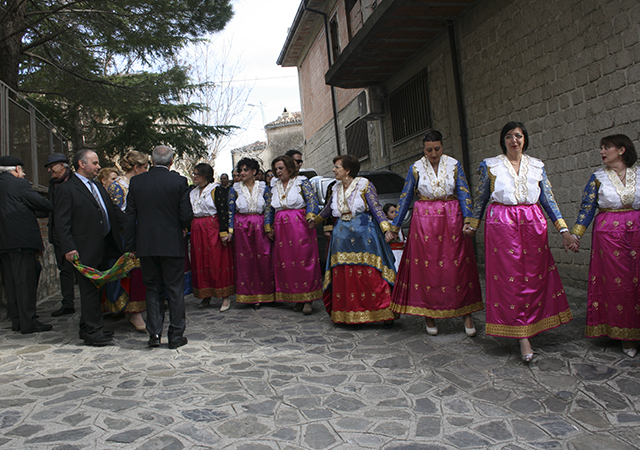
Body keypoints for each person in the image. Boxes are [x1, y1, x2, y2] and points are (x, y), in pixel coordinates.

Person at [465, 121, 573, 362]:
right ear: (503, 141)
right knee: (509, 279)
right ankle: (522, 335)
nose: (514, 140)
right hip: (502, 226)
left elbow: (548, 200)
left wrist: (564, 230)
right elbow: (481, 197)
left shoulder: (537, 166)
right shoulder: (490, 166)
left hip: (533, 224)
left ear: (525, 139)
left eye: (519, 136)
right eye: (509, 137)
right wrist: (472, 224)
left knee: (535, 276)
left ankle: (533, 325)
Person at [385, 130, 483, 336]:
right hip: (424, 221)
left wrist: (469, 220)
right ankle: (428, 315)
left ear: (442, 146)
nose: (433, 153)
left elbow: (464, 193)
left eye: (437, 149)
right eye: (429, 150)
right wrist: (395, 227)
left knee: (457, 266)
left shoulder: (454, 165)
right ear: (424, 149)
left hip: (452, 218)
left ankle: (466, 315)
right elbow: (405, 198)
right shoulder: (416, 168)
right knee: (427, 269)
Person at [569, 134, 640, 358]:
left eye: (606, 147)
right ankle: (626, 335)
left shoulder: (639, 174)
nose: (602, 151)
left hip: (637, 234)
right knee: (619, 284)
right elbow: (587, 207)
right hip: (610, 238)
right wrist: (576, 235)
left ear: (621, 150)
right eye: (601, 148)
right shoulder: (598, 178)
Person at [313, 154, 396, 327]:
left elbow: (376, 208)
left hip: (365, 234)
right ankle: (350, 314)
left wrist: (386, 229)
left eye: (337, 166)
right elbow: (328, 210)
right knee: (345, 273)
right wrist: (315, 221)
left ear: (348, 170)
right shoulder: (335, 188)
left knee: (370, 272)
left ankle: (383, 313)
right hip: (341, 236)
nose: (334, 170)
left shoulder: (365, 185)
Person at [124, 146, 193, 349]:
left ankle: (154, 334)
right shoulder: (179, 182)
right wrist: (182, 228)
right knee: (174, 289)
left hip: (146, 244)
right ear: (171, 162)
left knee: (152, 289)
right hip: (171, 242)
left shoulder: (137, 182)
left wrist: (130, 245)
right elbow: (186, 213)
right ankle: (176, 335)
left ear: (152, 161)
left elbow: (130, 216)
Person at [55, 149, 125, 346]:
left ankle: (88, 327)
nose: (98, 166)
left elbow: (112, 212)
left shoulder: (97, 187)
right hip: (83, 248)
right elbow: (61, 223)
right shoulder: (67, 189)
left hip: (104, 246)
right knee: (89, 291)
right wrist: (68, 248)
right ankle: (93, 332)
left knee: (97, 290)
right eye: (94, 163)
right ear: (81, 163)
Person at [0, 156, 54, 334]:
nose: (23, 175)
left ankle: (17, 320)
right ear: (16, 169)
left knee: (11, 284)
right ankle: (28, 322)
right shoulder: (18, 185)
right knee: (25, 282)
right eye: (22, 171)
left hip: (4, 244)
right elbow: (42, 204)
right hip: (21, 241)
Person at [266, 155, 321, 315]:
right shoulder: (274, 184)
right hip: (281, 226)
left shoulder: (302, 181)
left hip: (300, 225)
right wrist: (268, 226)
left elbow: (312, 201)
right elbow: (269, 206)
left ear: (290, 168)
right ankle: (295, 297)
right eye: (276, 169)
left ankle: (307, 299)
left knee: (303, 260)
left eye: (281, 168)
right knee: (287, 263)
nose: (278, 171)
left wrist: (311, 217)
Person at [105, 150, 149, 331]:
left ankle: (137, 307)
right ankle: (131, 310)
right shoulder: (118, 186)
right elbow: (115, 214)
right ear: (137, 167)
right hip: (125, 235)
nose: (148, 170)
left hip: (141, 232)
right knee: (129, 272)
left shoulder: (140, 184)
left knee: (140, 273)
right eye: (145, 167)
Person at [228, 157, 275, 308]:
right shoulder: (234, 189)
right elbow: (231, 211)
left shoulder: (264, 188)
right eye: (240, 170)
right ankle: (249, 295)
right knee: (245, 261)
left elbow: (268, 208)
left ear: (254, 172)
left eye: (245, 170)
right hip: (242, 227)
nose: (242, 173)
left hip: (260, 227)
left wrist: (268, 227)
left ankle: (266, 294)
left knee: (263, 258)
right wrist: (230, 231)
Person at [190, 163, 234, 311]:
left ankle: (225, 297)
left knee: (217, 261)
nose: (194, 176)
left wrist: (224, 232)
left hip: (212, 227)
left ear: (206, 176)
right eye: (194, 174)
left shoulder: (216, 190)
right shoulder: (192, 192)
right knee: (201, 262)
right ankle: (205, 294)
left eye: (197, 174)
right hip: (197, 228)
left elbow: (223, 212)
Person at [44, 153, 76, 317]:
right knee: (64, 269)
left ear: (63, 166)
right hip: (58, 233)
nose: (50, 170)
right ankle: (68, 302)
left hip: (76, 231)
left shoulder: (75, 181)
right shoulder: (52, 185)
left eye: (52, 166)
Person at [383, 203, 404, 272]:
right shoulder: (387, 226)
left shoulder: (398, 223)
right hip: (394, 252)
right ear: (386, 215)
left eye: (396, 212)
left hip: (401, 251)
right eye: (392, 212)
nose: (395, 214)